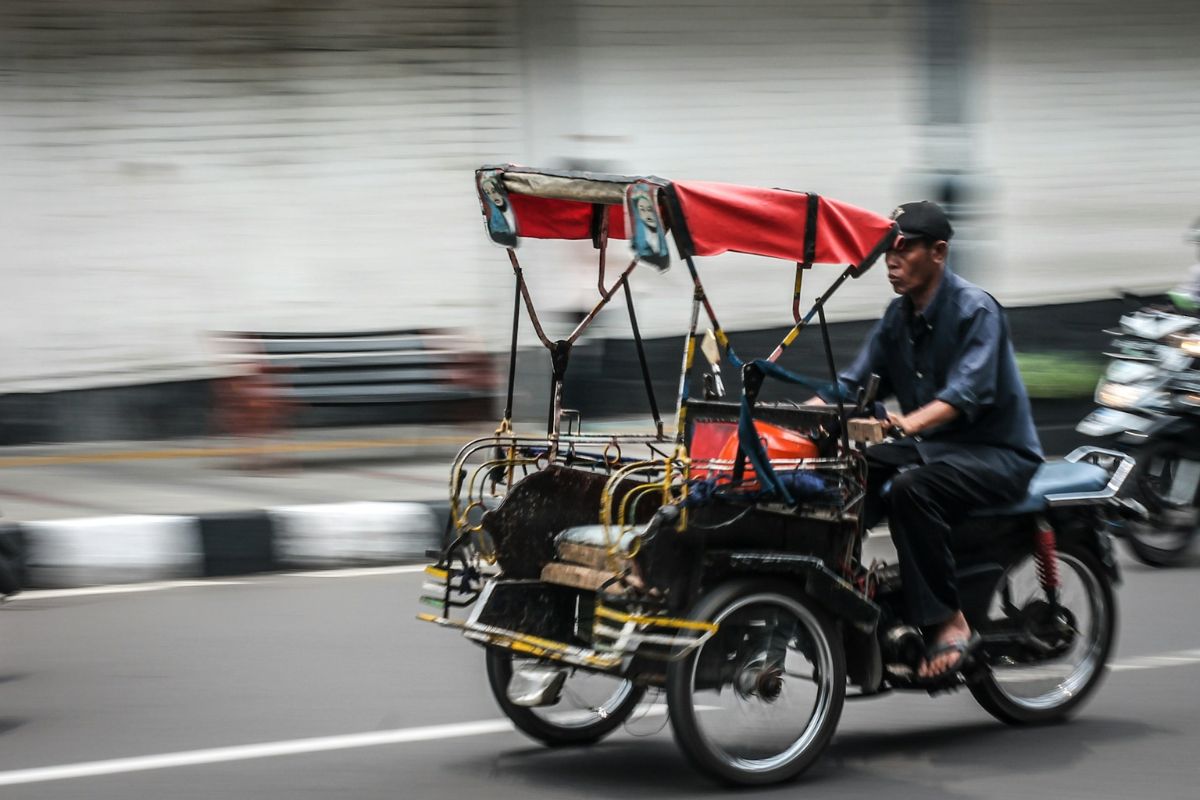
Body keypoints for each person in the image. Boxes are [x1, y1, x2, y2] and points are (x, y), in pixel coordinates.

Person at [825, 200, 1043, 680]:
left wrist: (906, 423)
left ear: (939, 252)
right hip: (937, 450)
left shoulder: (976, 311)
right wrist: (801, 417)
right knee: (846, 476)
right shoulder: (897, 318)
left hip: (997, 454)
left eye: (903, 249)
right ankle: (844, 585)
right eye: (887, 251)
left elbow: (966, 394)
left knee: (911, 490)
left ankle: (949, 621)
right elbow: (854, 386)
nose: (891, 262)